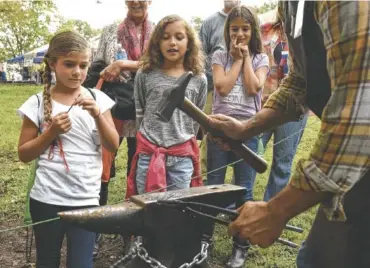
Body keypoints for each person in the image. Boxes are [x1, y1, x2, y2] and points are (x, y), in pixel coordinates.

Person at [208, 1, 370, 268]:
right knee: (314, 258)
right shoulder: (291, 6)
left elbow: (359, 113)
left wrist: (276, 210)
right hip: (356, 164)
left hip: (360, 153)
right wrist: (246, 128)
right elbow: (299, 82)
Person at [17, 31, 119, 268]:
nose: (77, 72)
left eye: (83, 65)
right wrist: (51, 133)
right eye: (69, 64)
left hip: (86, 199)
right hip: (46, 199)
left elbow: (112, 145)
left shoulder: (99, 99)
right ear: (53, 64)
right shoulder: (38, 103)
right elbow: (24, 154)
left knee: (82, 263)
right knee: (47, 262)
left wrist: (97, 115)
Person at [207, 5, 269, 268]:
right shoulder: (220, 55)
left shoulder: (260, 59)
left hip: (248, 129)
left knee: (245, 187)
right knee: (213, 186)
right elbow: (221, 88)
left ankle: (240, 245)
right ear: (227, 31)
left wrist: (245, 59)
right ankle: (204, 238)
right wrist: (236, 60)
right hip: (220, 128)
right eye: (235, 29)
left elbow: (255, 86)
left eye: (245, 28)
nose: (240, 34)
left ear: (253, 30)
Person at [91, 0, 154, 255]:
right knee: (101, 169)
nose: (137, 1)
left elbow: (161, 63)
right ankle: (93, 231)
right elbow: (96, 65)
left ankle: (132, 233)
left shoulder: (160, 31)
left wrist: (124, 64)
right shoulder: (109, 31)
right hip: (113, 108)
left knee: (137, 169)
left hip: (144, 111)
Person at [126, 14, 207, 198]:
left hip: (181, 156)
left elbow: (196, 119)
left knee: (177, 209)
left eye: (179, 37)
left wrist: (183, 137)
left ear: (189, 43)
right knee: (146, 204)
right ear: (157, 43)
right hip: (149, 153)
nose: (172, 43)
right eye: (165, 37)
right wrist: (148, 139)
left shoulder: (198, 78)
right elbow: (140, 110)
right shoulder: (145, 74)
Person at [259, 11, 307, 201]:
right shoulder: (264, 26)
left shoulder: (309, 30)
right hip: (264, 104)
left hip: (293, 109)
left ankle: (270, 208)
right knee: (248, 156)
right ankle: (242, 203)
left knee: (283, 163)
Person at [198, 0, 240, 182]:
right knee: (211, 136)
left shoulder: (247, 20)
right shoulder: (209, 22)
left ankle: (239, 183)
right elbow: (198, 56)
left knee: (239, 135)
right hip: (212, 88)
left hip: (242, 92)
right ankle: (207, 180)